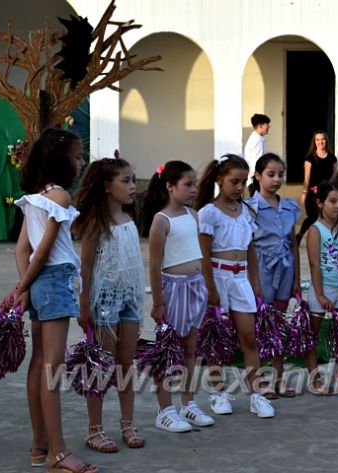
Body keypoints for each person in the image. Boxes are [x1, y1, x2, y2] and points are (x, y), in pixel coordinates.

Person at [10, 128, 98, 472]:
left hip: (40, 282)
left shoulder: (36, 195)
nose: (81, 162)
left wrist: (26, 285)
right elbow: (43, 251)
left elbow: (23, 249)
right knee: (52, 368)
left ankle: (39, 445)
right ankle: (58, 453)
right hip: (55, 280)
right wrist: (25, 287)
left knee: (40, 363)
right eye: (77, 157)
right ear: (61, 160)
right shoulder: (59, 196)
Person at [72, 157, 146, 452]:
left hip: (130, 299)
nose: (132, 186)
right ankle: (95, 430)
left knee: (125, 364)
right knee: (101, 366)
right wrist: (83, 306)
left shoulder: (129, 219)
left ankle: (128, 424)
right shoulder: (95, 223)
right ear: (106, 186)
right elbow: (86, 267)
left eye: (132, 180)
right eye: (125, 181)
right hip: (104, 301)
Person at [194, 154, 276, 418]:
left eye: (243, 182)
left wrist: (255, 281)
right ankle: (218, 392)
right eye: (233, 182)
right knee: (216, 339)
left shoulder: (246, 211)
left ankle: (257, 394)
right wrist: (211, 288)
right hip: (217, 277)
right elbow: (204, 254)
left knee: (248, 337)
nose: (239, 187)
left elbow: (250, 248)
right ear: (219, 180)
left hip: (241, 280)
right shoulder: (208, 213)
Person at [141, 160, 216, 432]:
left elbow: (199, 252)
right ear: (170, 186)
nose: (194, 189)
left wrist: (206, 286)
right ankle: (165, 410)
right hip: (174, 288)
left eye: (195, 184)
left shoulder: (192, 215)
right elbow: (154, 263)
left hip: (196, 286)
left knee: (190, 348)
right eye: (188, 184)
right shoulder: (161, 221)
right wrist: (158, 302)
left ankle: (188, 404)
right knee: (168, 349)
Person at [247, 153, 301, 399]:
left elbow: (292, 244)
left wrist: (297, 278)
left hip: (285, 271)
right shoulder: (250, 208)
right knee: (260, 328)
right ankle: (260, 381)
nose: (276, 179)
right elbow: (246, 246)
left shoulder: (290, 206)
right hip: (261, 270)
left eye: (280, 174)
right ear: (258, 176)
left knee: (279, 327)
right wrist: (252, 279)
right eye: (270, 174)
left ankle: (279, 379)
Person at [305, 181, 338, 394]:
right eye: (332, 201)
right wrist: (319, 294)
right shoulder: (315, 231)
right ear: (320, 203)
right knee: (313, 334)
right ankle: (314, 377)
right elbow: (314, 264)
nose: (337, 206)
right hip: (323, 288)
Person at [297, 131, 337, 243]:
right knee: (313, 216)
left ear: (326, 141)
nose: (320, 142)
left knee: (326, 217)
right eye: (317, 140)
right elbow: (307, 178)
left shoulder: (332, 158)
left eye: (322, 139)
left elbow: (334, 177)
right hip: (313, 193)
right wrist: (304, 193)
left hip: (327, 193)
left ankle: (325, 239)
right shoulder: (310, 158)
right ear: (314, 142)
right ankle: (299, 235)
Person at [243, 113, 271, 179]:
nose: (269, 127)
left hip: (255, 178)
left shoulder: (256, 138)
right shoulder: (257, 140)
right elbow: (257, 162)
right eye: (267, 125)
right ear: (260, 126)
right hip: (256, 179)